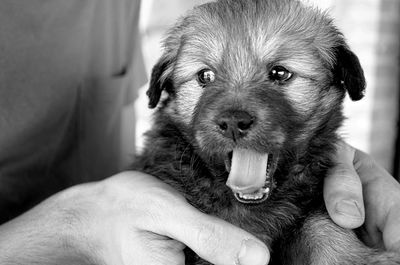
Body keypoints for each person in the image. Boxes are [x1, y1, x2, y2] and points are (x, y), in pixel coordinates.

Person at [0, 1, 399, 265]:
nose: (234, 115)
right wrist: (71, 228)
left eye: (279, 74)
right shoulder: (165, 184)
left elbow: (305, 225)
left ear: (342, 79)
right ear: (165, 91)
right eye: (205, 77)